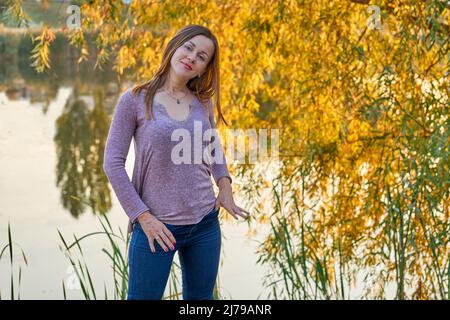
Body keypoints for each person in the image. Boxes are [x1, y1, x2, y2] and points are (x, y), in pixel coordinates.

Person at [103, 24, 250, 300]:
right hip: (157, 227)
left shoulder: (202, 102)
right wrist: (142, 216)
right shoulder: (134, 100)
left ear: (204, 69)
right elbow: (112, 164)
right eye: (189, 47)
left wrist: (225, 183)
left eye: (202, 56)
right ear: (175, 46)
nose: (192, 57)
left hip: (205, 224)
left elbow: (212, 148)